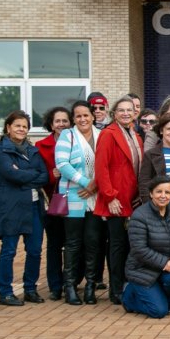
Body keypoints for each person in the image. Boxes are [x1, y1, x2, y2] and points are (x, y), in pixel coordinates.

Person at [0, 111, 48, 306]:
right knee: (9, 251)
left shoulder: (32, 150)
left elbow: (45, 176)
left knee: (34, 250)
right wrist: (30, 176)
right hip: (11, 207)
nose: (21, 129)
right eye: (17, 125)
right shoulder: (0, 150)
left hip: (33, 206)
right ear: (8, 127)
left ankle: (30, 289)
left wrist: (23, 175)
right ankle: (5, 292)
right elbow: (10, 174)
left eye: (24, 126)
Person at [94, 96, 144, 305]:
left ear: (135, 113)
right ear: (114, 114)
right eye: (121, 110)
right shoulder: (108, 134)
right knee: (117, 246)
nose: (125, 113)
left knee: (130, 246)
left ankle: (127, 284)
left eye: (129, 110)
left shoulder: (136, 135)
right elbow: (101, 167)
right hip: (116, 198)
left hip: (132, 199)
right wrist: (110, 196)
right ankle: (116, 290)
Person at [121, 175, 170, 318]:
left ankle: (165, 303)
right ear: (151, 193)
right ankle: (129, 298)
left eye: (167, 192)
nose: (163, 196)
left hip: (168, 268)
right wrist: (165, 262)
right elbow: (139, 249)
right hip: (142, 270)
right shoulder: (139, 215)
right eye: (159, 192)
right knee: (158, 312)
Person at [55, 100, 103, 306]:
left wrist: (96, 186)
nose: (83, 119)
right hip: (73, 198)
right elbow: (62, 164)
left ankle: (91, 286)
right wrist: (87, 182)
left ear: (93, 116)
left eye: (86, 115)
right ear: (73, 119)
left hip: (96, 198)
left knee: (93, 243)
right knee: (73, 244)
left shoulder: (102, 135)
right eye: (78, 116)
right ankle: (70, 287)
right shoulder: (68, 135)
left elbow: (107, 164)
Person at [35, 106, 72, 301]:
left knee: (73, 245)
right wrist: (52, 175)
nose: (61, 124)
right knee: (55, 246)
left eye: (65, 121)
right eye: (57, 121)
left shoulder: (77, 142)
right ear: (51, 124)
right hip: (53, 203)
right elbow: (38, 176)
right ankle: (55, 285)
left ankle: (71, 281)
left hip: (75, 200)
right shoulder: (41, 146)